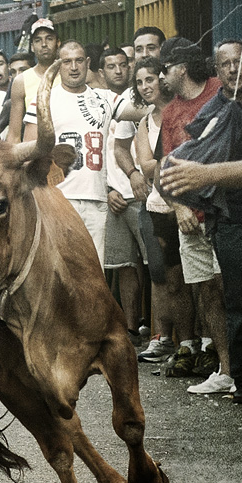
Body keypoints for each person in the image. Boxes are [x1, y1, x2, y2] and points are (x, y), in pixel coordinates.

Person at [169, 41, 242, 402]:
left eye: (239, 61)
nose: (233, 69)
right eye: (224, 64)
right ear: (217, 70)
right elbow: (178, 166)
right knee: (239, 302)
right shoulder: (210, 116)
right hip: (232, 220)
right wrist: (185, 204)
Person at [158, 36, 229, 384]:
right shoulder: (169, 113)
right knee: (207, 291)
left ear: (181, 69)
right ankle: (224, 369)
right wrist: (179, 207)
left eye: (165, 69)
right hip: (190, 216)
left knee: (230, 285)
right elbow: (165, 169)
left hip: (224, 210)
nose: (160, 77)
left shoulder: (218, 91)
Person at [23, 40, 111, 266]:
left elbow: (139, 109)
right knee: (59, 269)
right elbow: (29, 150)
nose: (73, 67)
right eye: (67, 61)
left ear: (87, 63)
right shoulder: (44, 99)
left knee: (94, 271)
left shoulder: (104, 98)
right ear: (57, 66)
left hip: (96, 198)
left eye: (79, 61)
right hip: (58, 198)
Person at [132, 56, 182, 366]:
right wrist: (169, 162)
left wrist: (162, 163)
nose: (145, 86)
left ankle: (194, 342)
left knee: (192, 278)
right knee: (161, 273)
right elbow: (146, 165)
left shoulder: (179, 110)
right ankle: (165, 339)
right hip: (158, 204)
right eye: (139, 82)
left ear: (161, 79)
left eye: (149, 79)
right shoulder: (144, 122)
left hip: (190, 201)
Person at [97, 47, 149, 344]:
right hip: (113, 195)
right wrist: (107, 190)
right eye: (110, 66)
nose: (117, 70)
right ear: (101, 71)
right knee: (125, 267)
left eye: (122, 65)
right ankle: (130, 329)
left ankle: (159, 331)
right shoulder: (95, 103)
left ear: (129, 67)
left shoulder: (139, 97)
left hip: (142, 192)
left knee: (156, 268)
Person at [8, 18, 61, 143]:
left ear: (58, 43)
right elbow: (14, 134)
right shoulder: (21, 81)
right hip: (36, 150)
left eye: (49, 38)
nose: (44, 44)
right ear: (32, 46)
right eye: (38, 40)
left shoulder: (68, 75)